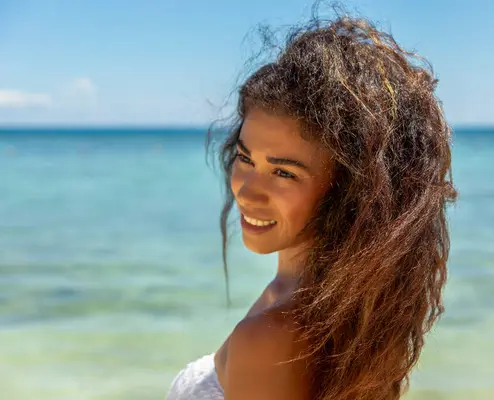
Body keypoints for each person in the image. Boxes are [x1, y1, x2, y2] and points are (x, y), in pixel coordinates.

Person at [167, 10, 456, 400]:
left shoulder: (274, 339)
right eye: (246, 158)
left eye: (284, 173)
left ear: (349, 190)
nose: (247, 192)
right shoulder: (342, 312)